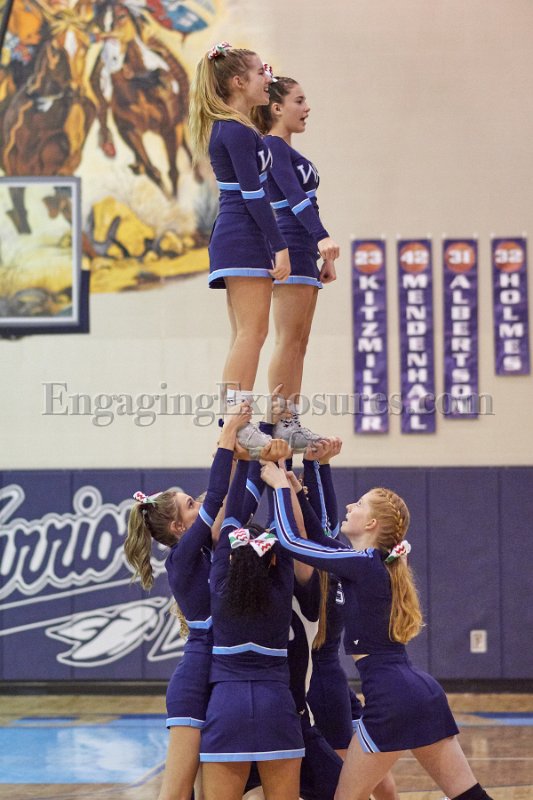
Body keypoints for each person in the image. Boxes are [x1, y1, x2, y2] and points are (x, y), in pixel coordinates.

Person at [261, 462, 495, 800]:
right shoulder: (369, 562)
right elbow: (321, 542)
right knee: (468, 794)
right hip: (422, 693)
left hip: (391, 698)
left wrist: (280, 488)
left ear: (371, 523)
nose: (349, 506)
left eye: (359, 504)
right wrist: (298, 492)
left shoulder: (364, 564)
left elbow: (290, 541)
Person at [124, 404, 250, 800]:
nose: (200, 504)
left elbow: (234, 506)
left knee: (204, 792)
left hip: (221, 672)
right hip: (195, 680)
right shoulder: (181, 557)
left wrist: (243, 458)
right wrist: (226, 436)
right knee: (176, 793)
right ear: (179, 527)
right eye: (190, 505)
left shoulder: (207, 549)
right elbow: (216, 499)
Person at [188, 42, 291, 458]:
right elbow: (253, 195)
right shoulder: (234, 130)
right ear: (237, 82)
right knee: (253, 332)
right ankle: (238, 422)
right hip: (242, 235)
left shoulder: (234, 127)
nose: (268, 78)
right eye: (260, 73)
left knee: (245, 334)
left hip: (237, 235)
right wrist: (279, 246)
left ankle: (235, 422)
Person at [199, 456, 304, 800]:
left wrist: (245, 457)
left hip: (226, 706)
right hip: (277, 705)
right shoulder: (281, 590)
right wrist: (278, 471)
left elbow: (231, 516)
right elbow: (285, 530)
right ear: (273, 559)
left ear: (229, 557)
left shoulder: (219, 587)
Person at [253, 76, 340, 451]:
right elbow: (293, 197)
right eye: (299, 101)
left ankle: (291, 419)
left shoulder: (286, 148)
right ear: (276, 108)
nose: (307, 108)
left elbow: (308, 202)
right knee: (288, 339)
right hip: (288, 241)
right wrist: (322, 237)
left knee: (300, 342)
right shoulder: (272, 145)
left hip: (305, 246)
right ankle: (277, 419)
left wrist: (321, 251)